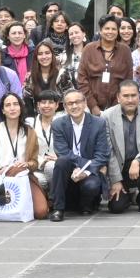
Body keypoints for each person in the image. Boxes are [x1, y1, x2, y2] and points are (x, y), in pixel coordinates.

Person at [50, 89, 110, 220]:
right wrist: (79, 165)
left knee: (92, 185)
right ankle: (58, 208)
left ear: (85, 103)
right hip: (69, 167)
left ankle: (87, 204)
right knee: (61, 161)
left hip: (90, 168)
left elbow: (102, 154)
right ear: (65, 107)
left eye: (77, 102)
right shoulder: (58, 124)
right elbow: (62, 151)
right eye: (70, 103)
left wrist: (86, 171)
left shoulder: (98, 123)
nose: (74, 106)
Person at [104, 80, 140, 213]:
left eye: (133, 95)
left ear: (139, 96)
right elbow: (109, 151)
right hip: (119, 168)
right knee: (116, 208)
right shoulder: (107, 116)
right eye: (126, 96)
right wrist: (116, 180)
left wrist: (138, 160)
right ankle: (127, 194)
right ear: (118, 98)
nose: (130, 100)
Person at [77, 16, 132, 115]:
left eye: (113, 29)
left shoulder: (125, 51)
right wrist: (93, 106)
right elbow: (82, 80)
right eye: (107, 28)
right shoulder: (89, 49)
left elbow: (128, 80)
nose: (110, 32)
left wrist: (117, 106)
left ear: (118, 31)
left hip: (118, 108)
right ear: (100, 30)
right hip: (90, 108)